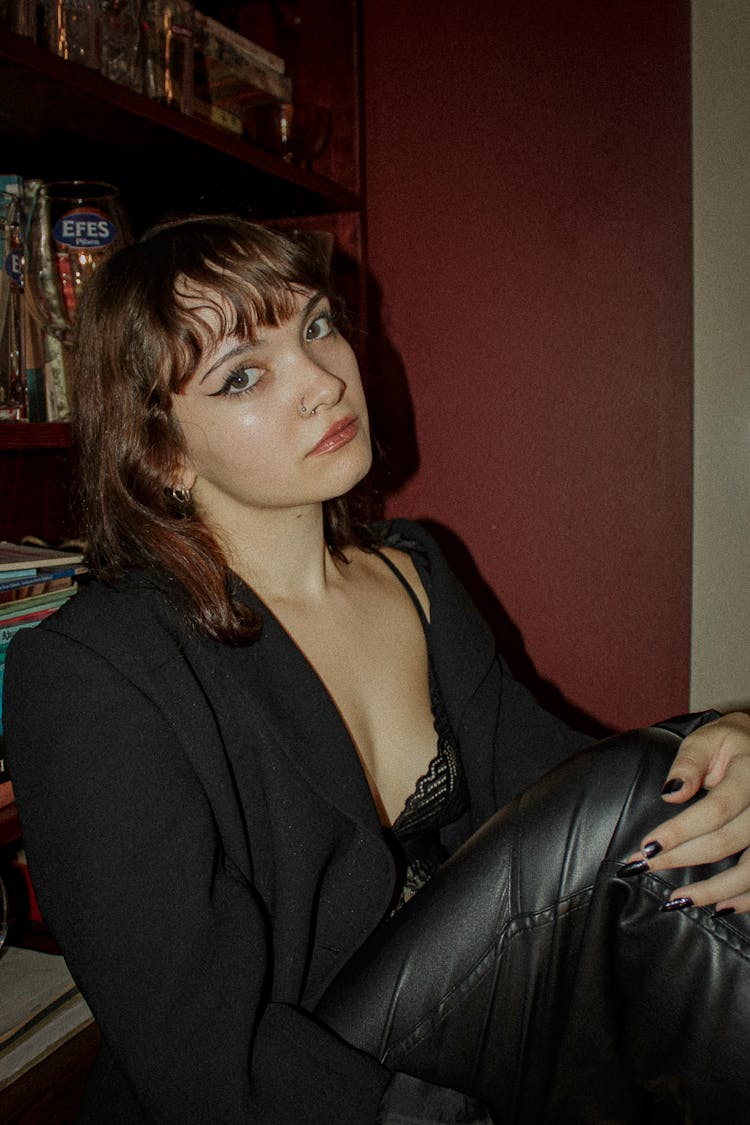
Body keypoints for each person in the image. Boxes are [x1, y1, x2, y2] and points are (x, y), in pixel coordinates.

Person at [4, 215, 750, 1125]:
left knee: (690, 824)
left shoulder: (415, 570)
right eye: (244, 375)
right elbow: (202, 1047)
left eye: (317, 326)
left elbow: (559, 789)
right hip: (304, 1093)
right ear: (161, 455)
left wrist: (720, 746)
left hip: (471, 1031)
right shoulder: (92, 672)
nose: (323, 381)